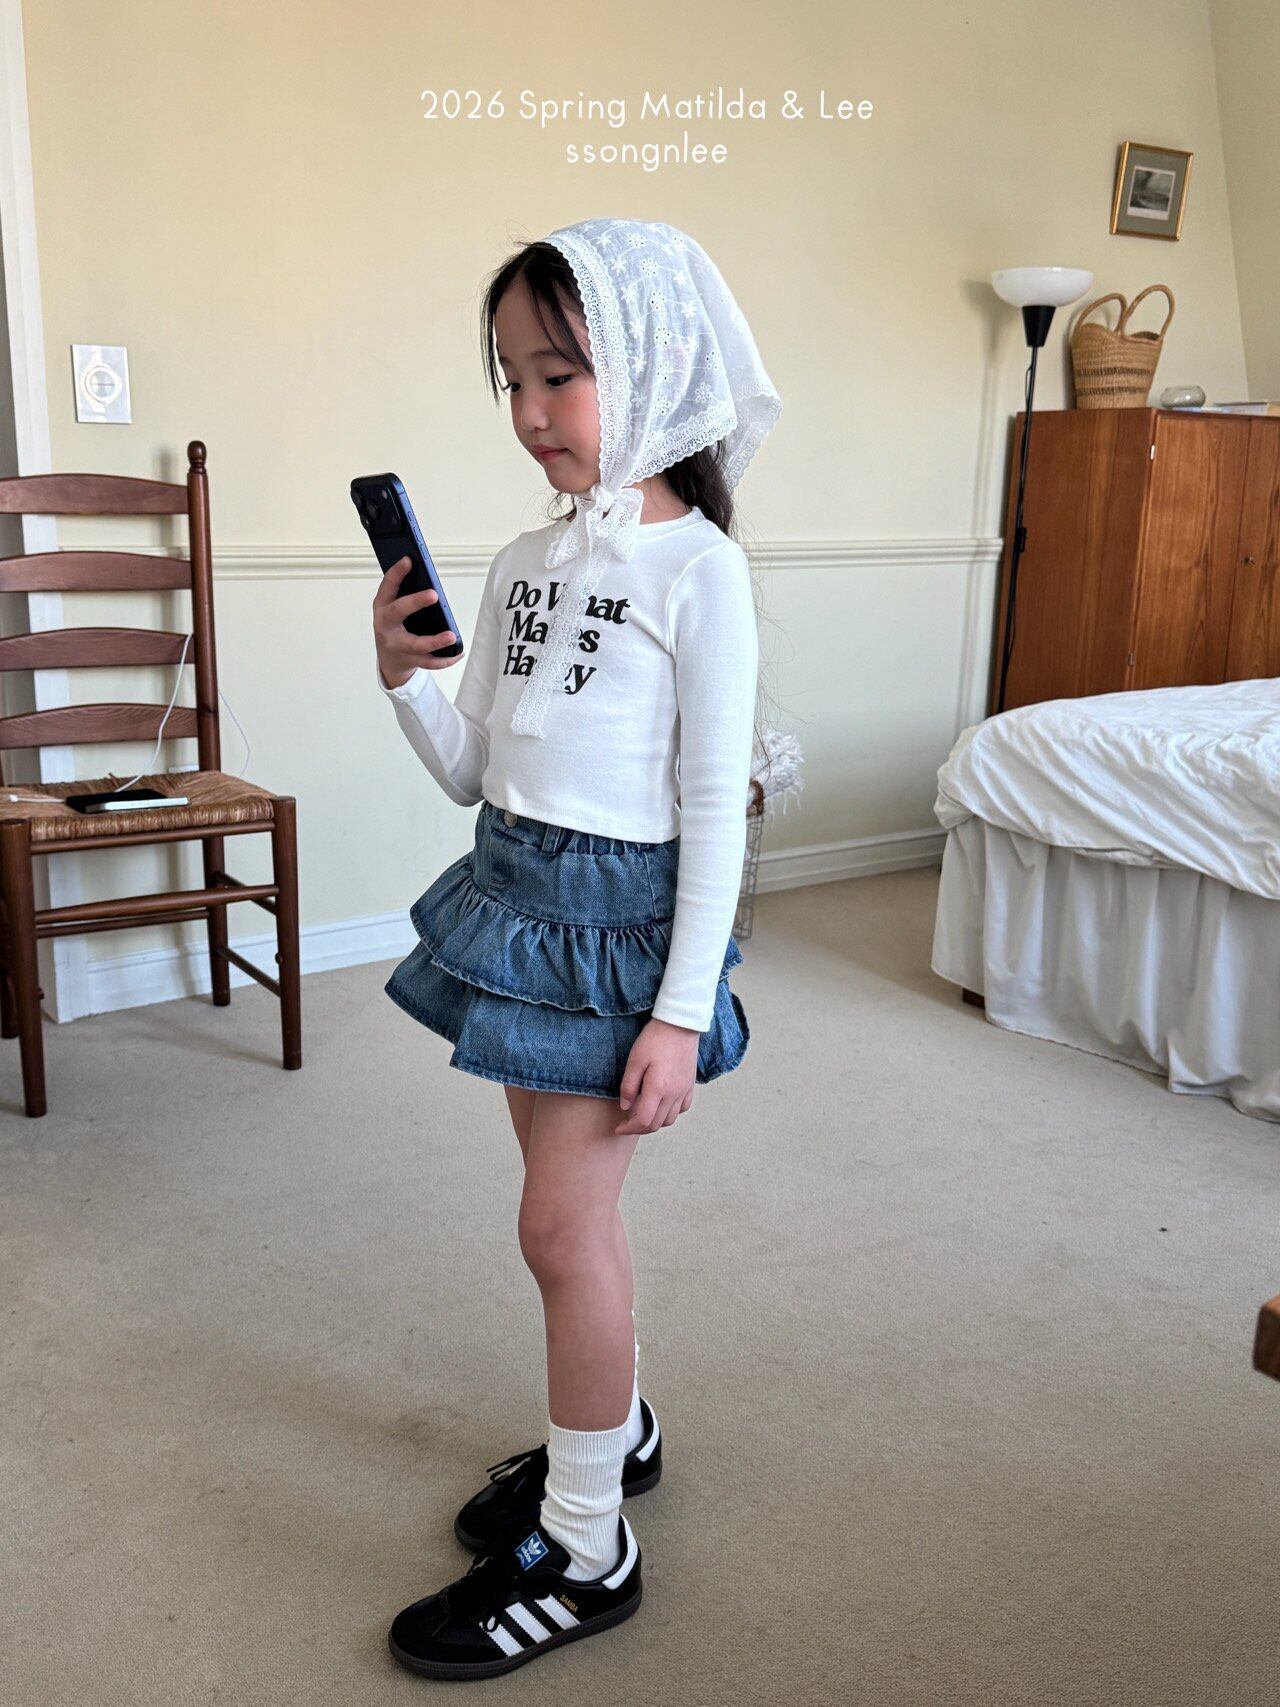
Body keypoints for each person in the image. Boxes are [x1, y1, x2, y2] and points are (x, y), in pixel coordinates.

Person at [371, 215, 781, 1681]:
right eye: (514, 380)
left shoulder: (700, 571)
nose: (534, 411)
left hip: (618, 937)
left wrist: (680, 1009)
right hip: (514, 905)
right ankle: (619, 1428)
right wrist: (403, 680)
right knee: (571, 1226)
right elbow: (476, 769)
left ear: (653, 365)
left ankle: (590, 1541)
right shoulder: (520, 561)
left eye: (563, 374)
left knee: (558, 1231)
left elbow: (712, 811)